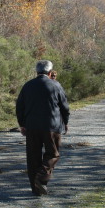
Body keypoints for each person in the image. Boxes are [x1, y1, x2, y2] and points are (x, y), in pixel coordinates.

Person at [16, 60, 70, 196]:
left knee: (33, 158)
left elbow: (19, 107)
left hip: (32, 127)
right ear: (50, 72)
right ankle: (41, 177)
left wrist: (22, 124)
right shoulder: (56, 85)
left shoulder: (27, 86)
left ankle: (37, 189)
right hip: (52, 126)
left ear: (36, 72)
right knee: (53, 154)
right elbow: (65, 107)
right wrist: (66, 122)